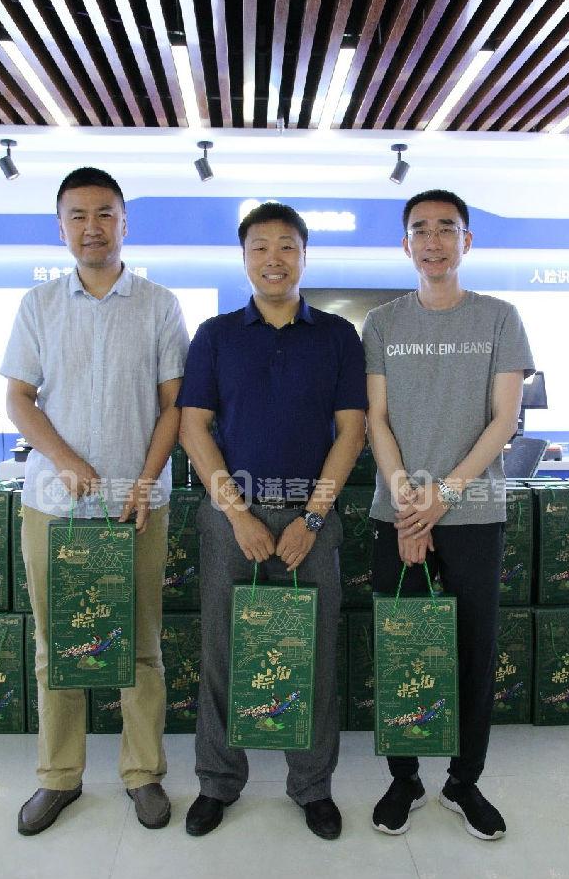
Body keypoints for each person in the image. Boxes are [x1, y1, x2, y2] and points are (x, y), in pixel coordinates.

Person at [1, 167, 189, 835]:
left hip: (137, 506)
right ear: (60, 228)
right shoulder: (39, 305)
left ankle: (143, 774)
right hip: (54, 506)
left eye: (104, 213)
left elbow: (175, 405)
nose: (92, 227)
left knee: (141, 644)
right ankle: (59, 777)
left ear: (124, 223)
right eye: (77, 216)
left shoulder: (159, 304)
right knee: (58, 645)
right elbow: (18, 398)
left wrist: (145, 479)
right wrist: (65, 459)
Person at [177, 202, 367, 840]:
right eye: (259, 247)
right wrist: (238, 515)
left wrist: (311, 519)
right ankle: (216, 783)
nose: (273, 259)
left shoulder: (338, 337)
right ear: (244, 258)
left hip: (312, 518)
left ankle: (312, 787)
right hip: (232, 518)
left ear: (304, 256)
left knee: (313, 652)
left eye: (287, 246)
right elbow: (193, 427)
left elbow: (351, 431)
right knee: (222, 653)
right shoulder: (216, 335)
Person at [363, 189, 534, 841]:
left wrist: (443, 498)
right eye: (420, 230)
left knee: (473, 652)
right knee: (401, 645)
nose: (432, 241)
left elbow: (504, 420)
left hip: (474, 514)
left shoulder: (499, 318)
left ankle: (464, 782)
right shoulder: (382, 323)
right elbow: (376, 419)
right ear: (405, 244)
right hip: (398, 511)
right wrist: (408, 500)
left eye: (446, 228)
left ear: (467, 240)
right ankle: (404, 777)